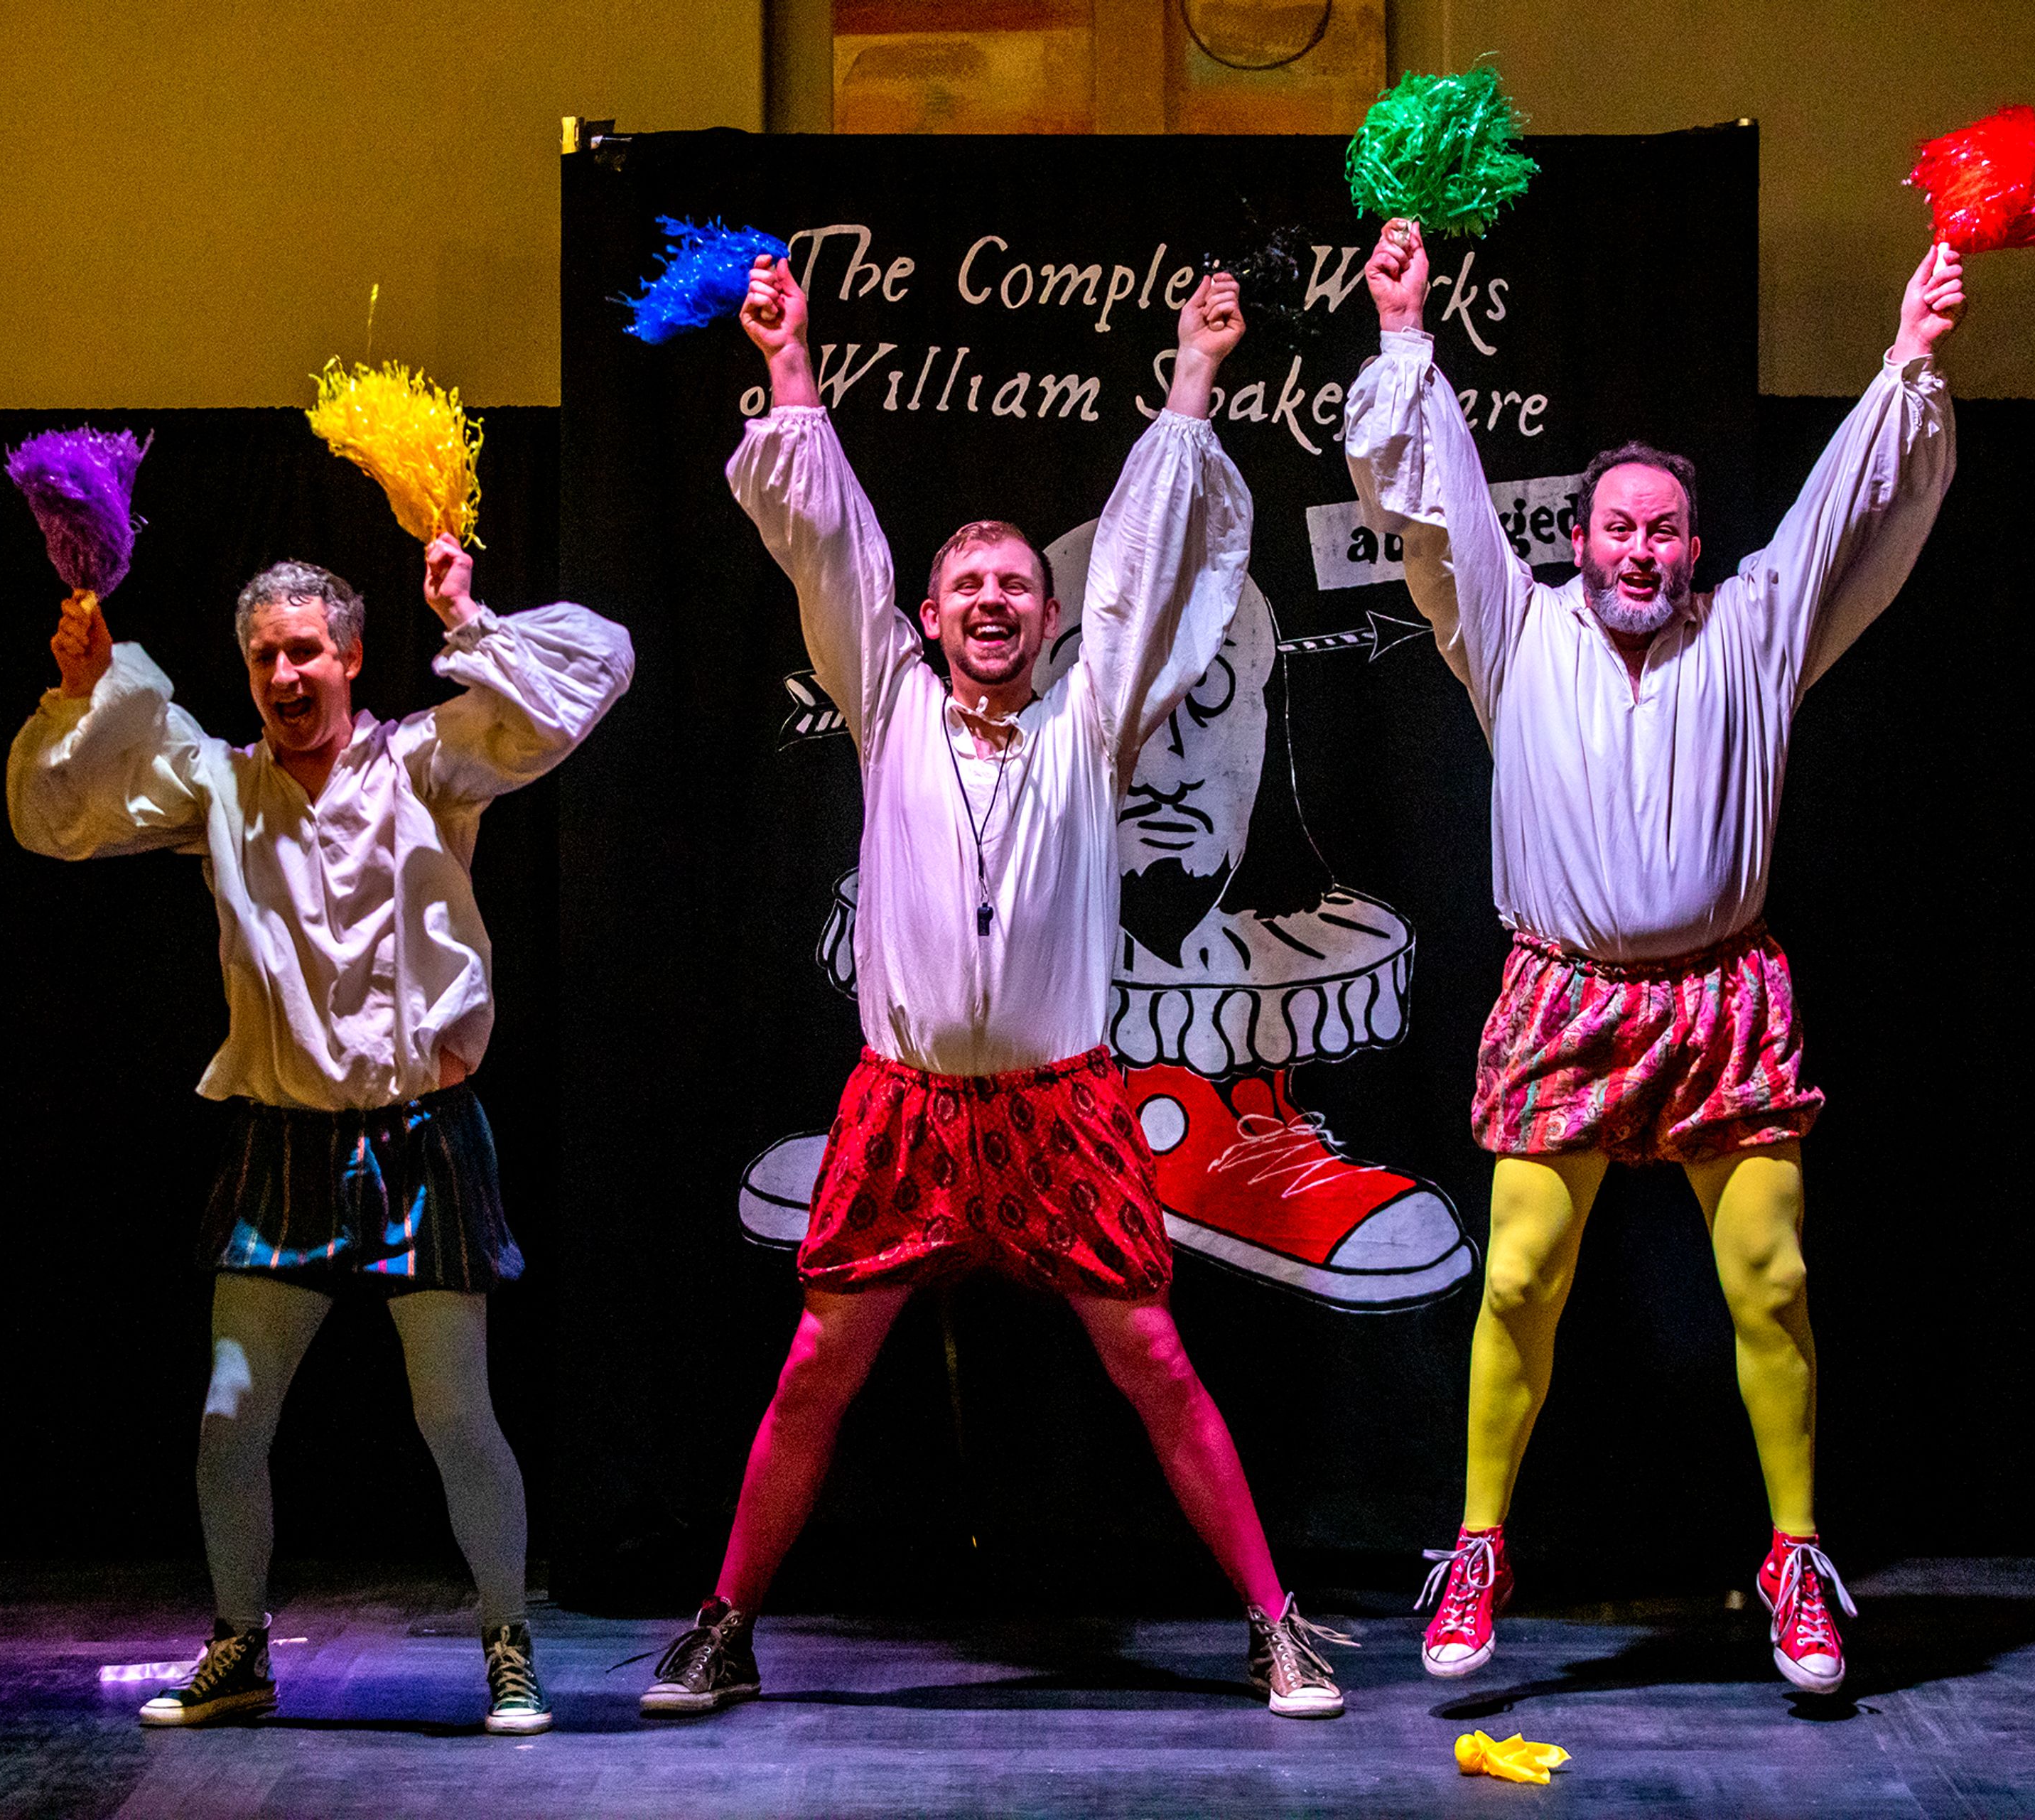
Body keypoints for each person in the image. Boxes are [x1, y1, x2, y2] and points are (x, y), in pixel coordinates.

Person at [643, 252, 1349, 1721]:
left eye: (1017, 584)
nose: (990, 599)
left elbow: (1152, 566)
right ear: (931, 607)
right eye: (967, 580)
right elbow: (831, 548)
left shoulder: (1094, 716)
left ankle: (1277, 1624)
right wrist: (788, 365)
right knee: (816, 1368)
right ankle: (725, 1623)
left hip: (1056, 1108)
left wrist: (1197, 370)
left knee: (1155, 1359)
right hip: (905, 1110)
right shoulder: (885, 692)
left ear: (1046, 617)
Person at [1346, 217, 1963, 1696]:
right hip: (1562, 994)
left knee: (1772, 1279)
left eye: (1665, 529)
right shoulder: (1511, 629)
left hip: (1722, 994)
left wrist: (1909, 360)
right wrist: (1407, 335)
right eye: (1617, 526)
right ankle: (1480, 1543)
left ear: (1696, 546)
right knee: (1518, 1287)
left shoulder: (1754, 629)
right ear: (1580, 541)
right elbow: (1437, 516)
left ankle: (1798, 1555)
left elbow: (1839, 514)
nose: (1640, 548)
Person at [6, 532, 634, 1732]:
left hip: (421, 1137)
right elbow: (55, 817)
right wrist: (89, 688)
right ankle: (238, 1647)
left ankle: (508, 1637)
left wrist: (469, 615)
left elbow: (595, 671)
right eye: (263, 658)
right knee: (229, 1414)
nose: (286, 675)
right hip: (283, 1142)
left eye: (305, 651)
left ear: (348, 656)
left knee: (454, 1413)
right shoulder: (221, 785)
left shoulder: (428, 760)